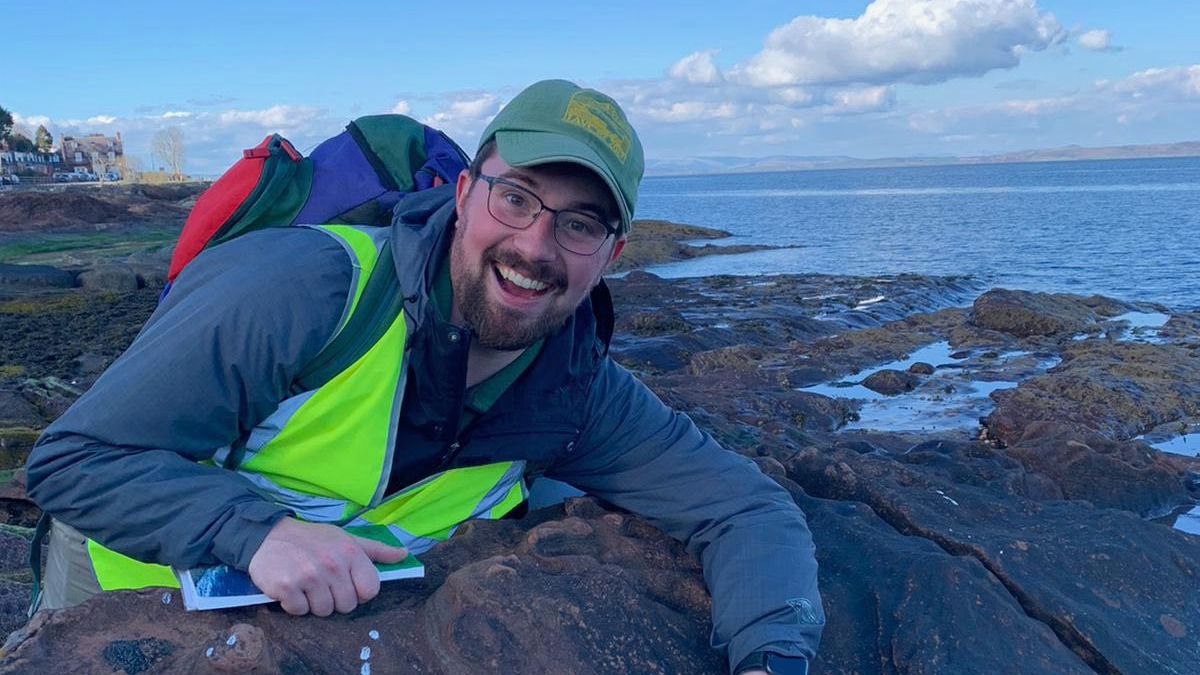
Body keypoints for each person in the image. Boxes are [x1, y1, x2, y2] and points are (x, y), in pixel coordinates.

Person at [25, 79, 823, 674]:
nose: (537, 246)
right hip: (122, 584)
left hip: (332, 636)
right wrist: (255, 532)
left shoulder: (580, 392)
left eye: (579, 223)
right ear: (467, 194)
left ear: (613, 255)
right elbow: (73, 461)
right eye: (517, 199)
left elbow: (744, 507)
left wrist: (772, 658)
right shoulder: (301, 290)